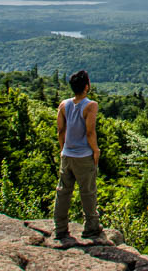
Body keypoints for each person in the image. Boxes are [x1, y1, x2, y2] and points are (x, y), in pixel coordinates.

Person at [53, 69, 103, 241]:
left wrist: (63, 149)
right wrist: (95, 150)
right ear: (87, 86)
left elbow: (61, 130)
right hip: (83, 156)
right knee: (88, 191)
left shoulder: (63, 105)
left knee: (63, 192)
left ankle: (60, 228)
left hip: (66, 155)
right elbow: (90, 132)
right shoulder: (91, 105)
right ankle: (91, 226)